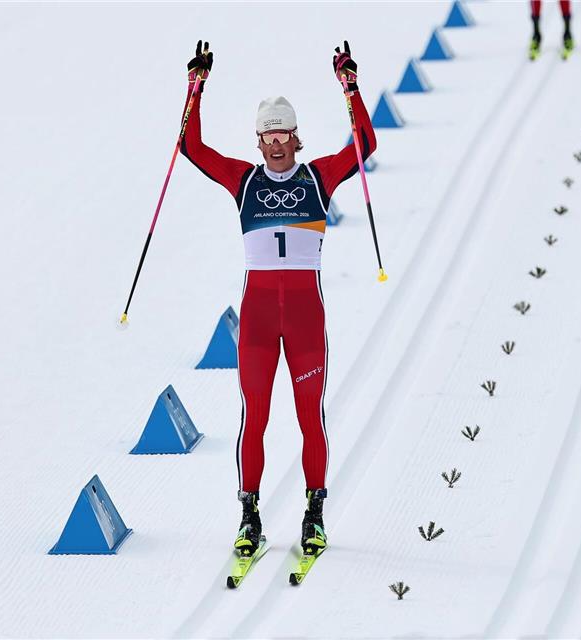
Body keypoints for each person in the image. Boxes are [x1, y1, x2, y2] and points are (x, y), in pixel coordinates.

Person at [180, 40, 376, 558]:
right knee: (256, 419)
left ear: (295, 137)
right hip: (261, 319)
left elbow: (364, 143)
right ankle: (250, 516)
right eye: (268, 136)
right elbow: (192, 148)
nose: (276, 144)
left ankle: (314, 513)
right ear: (259, 140)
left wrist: (349, 86)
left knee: (311, 418)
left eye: (283, 135)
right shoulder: (243, 180)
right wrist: (195, 87)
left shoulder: (318, 177)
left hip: (307, 318)